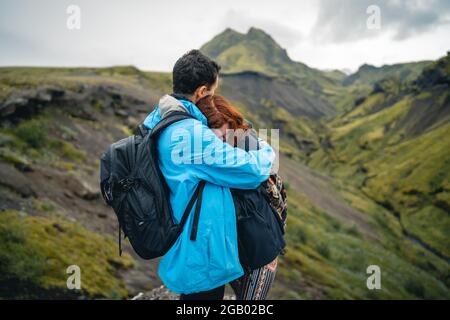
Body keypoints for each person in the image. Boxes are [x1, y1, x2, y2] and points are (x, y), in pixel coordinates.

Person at [143, 50, 276, 300]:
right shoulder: (190, 134)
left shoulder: (161, 116)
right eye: (212, 93)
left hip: (185, 233)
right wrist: (266, 151)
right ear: (202, 91)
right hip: (200, 248)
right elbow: (248, 171)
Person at [196, 95, 287, 300]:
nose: (221, 141)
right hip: (233, 252)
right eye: (215, 136)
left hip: (259, 252)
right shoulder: (228, 150)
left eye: (224, 133)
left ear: (232, 122)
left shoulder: (246, 152)